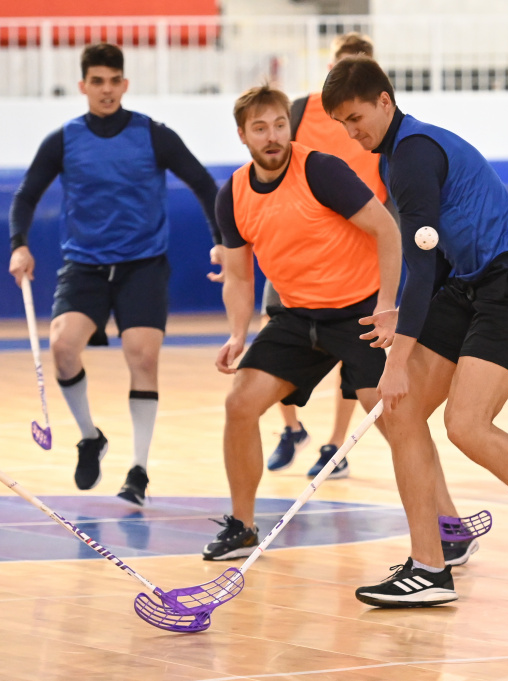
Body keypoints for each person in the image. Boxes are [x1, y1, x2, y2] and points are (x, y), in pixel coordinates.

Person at [322, 56, 508, 607]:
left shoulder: (413, 155)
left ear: (385, 101)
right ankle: (429, 566)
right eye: (342, 123)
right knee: (401, 413)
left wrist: (396, 362)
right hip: (467, 284)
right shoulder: (396, 156)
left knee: (466, 425)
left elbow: (419, 263)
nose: (351, 132)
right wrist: (402, 317)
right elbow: (433, 257)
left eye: (356, 117)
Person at [8, 43, 222, 506]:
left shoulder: (154, 135)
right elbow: (26, 195)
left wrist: (220, 239)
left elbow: (204, 184)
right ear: (83, 86)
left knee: (142, 356)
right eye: (97, 82)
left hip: (143, 265)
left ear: (125, 84)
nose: (106, 90)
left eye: (113, 81)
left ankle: (138, 471)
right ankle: (90, 437)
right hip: (84, 266)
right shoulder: (64, 140)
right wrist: (19, 244)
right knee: (63, 348)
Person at [201, 84, 402, 560]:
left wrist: (387, 304)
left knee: (394, 420)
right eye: (260, 128)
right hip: (296, 316)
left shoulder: (321, 170)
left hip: (358, 310)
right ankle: (242, 527)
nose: (272, 136)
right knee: (240, 404)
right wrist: (237, 333)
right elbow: (238, 275)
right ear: (242, 135)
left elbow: (386, 229)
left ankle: (447, 524)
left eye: (279, 125)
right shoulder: (233, 193)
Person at [263, 31, 390, 482]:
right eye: (343, 65)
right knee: (276, 332)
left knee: (353, 353)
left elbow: (390, 193)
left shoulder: (381, 121)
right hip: (297, 244)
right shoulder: (300, 111)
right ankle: (291, 428)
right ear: (331, 68)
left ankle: (336, 446)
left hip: (357, 251)